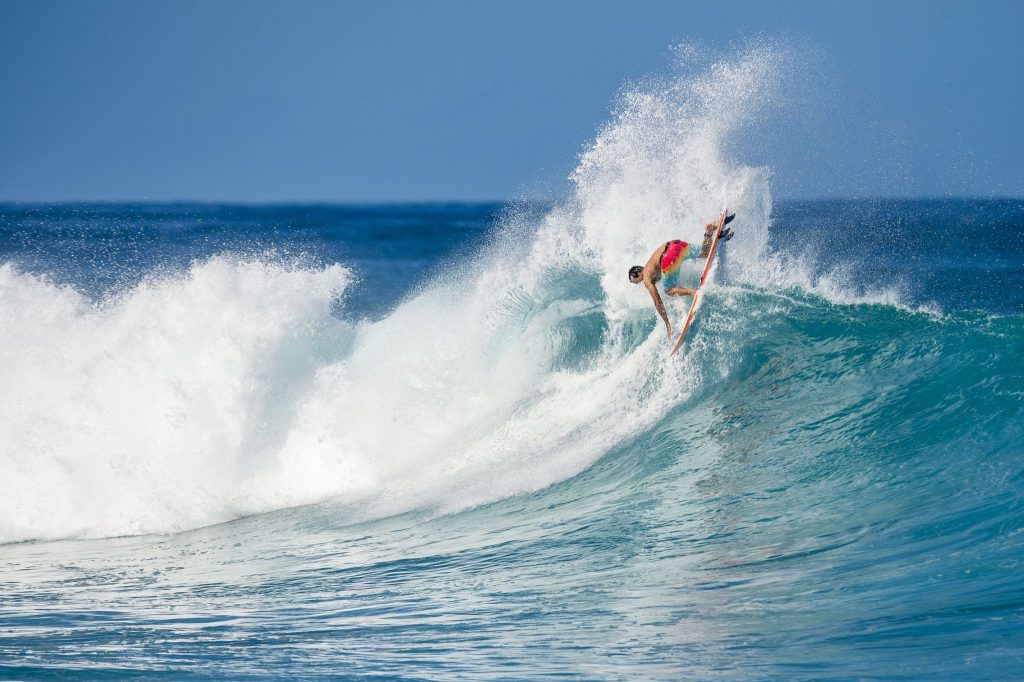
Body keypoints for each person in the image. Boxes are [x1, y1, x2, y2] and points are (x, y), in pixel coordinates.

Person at [628, 213, 735, 338]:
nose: (640, 283)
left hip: (668, 256)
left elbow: (657, 301)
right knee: (705, 253)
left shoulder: (646, 277)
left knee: (668, 290)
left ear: (637, 273)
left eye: (636, 281)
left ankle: (693, 293)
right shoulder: (651, 264)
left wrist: (667, 323)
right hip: (675, 245)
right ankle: (709, 230)